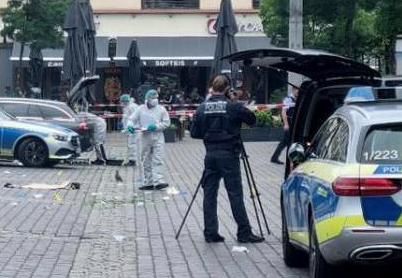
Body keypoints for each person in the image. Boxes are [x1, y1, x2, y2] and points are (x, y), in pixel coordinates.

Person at [189, 75, 265, 244]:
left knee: (209, 193)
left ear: (212, 88)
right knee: (235, 193)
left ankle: (210, 232)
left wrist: (208, 135)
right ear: (227, 89)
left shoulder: (202, 107)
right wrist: (235, 102)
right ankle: (244, 232)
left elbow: (194, 132)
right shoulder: (232, 107)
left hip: (210, 154)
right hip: (229, 154)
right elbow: (252, 120)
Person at [127, 89, 172, 190]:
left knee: (158, 158)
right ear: (147, 99)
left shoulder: (161, 109)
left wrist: (156, 126)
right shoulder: (140, 109)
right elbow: (131, 119)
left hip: (158, 136)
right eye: (152, 98)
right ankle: (149, 182)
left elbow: (166, 123)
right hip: (144, 136)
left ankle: (159, 181)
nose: (155, 100)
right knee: (145, 159)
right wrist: (130, 126)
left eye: (156, 98)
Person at [270, 85, 298, 164]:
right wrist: (286, 124)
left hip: (293, 123)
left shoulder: (297, 99)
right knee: (287, 142)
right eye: (297, 90)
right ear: (293, 90)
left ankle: (274, 158)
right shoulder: (288, 99)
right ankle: (288, 160)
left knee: (285, 142)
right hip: (288, 122)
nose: (298, 92)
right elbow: (284, 112)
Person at [121, 94, 139, 166]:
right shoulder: (126, 107)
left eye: (122, 101)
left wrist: (133, 127)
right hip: (130, 129)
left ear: (125, 101)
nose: (122, 103)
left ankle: (133, 160)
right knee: (130, 144)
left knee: (132, 144)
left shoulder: (132, 106)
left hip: (134, 128)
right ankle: (131, 159)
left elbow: (135, 118)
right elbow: (126, 118)